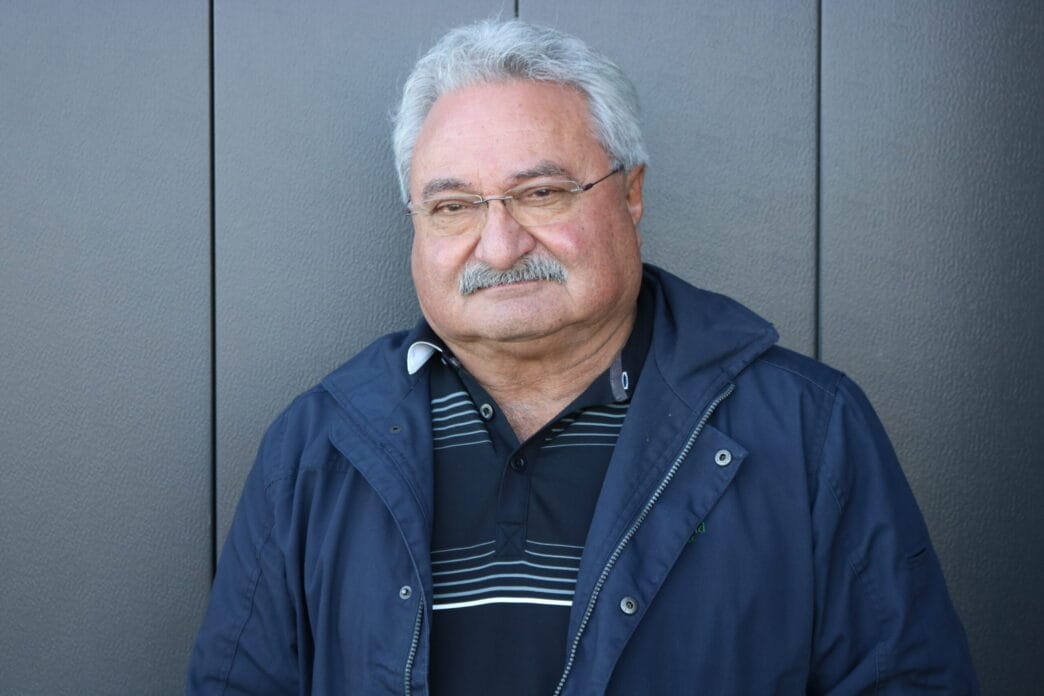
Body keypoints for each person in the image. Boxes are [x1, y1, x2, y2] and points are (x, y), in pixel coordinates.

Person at [188, 19, 979, 695]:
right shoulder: (317, 446)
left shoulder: (808, 429)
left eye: (541, 193)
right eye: (453, 206)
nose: (499, 245)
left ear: (631, 193)